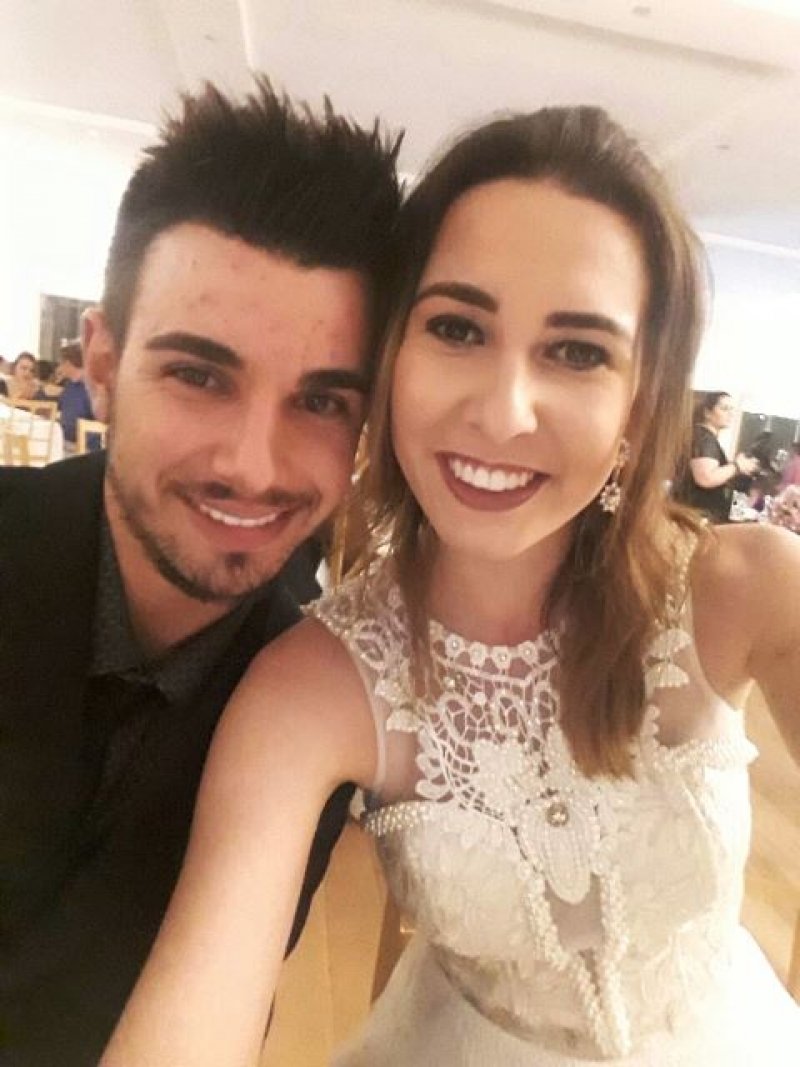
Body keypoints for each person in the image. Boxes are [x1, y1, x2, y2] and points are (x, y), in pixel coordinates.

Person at [101, 107, 800, 1066]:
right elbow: (200, 996)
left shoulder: (746, 588)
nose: (504, 413)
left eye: (577, 351)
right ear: (390, 360)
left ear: (638, 404)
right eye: (458, 327)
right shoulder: (314, 684)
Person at [0, 78, 401, 1067]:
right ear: (101, 362)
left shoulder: (310, 699)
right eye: (199, 374)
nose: (252, 466)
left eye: (321, 401)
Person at [676, 391, 758, 522]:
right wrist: (737, 466)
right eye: (724, 409)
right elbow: (705, 478)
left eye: (732, 410)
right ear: (707, 413)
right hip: (697, 515)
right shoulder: (704, 438)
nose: (730, 414)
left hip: (698, 514)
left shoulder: (704, 437)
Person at [54, 338, 94, 443]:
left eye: (60, 364)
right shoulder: (69, 385)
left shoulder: (91, 387)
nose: (59, 368)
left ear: (67, 363)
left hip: (85, 446)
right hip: (66, 441)